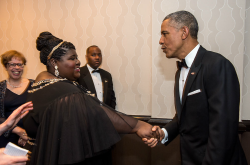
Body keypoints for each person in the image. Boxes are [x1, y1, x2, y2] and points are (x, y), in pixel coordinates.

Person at [23, 31, 156, 165]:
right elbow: (97, 113)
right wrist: (138, 126)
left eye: (77, 57)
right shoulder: (64, 90)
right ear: (54, 62)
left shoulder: (38, 86)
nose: (78, 62)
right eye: (72, 58)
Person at [143, 10, 247, 165]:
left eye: (165, 34)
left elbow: (223, 131)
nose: (160, 40)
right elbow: (184, 116)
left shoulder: (217, 65)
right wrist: (163, 133)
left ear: (184, 32)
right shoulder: (180, 72)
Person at [0, 50, 34, 148]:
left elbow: (39, 111)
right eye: (12, 64)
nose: (17, 67)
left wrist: (26, 134)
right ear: (6, 66)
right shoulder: (0, 88)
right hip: (6, 137)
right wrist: (19, 131)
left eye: (20, 64)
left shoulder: (34, 85)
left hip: (30, 136)